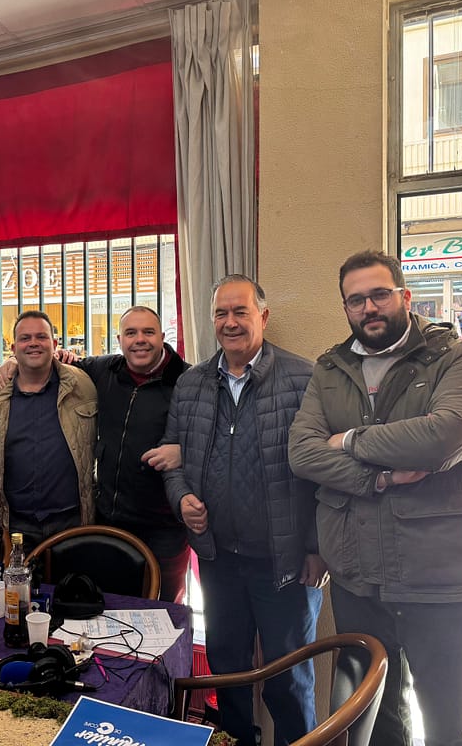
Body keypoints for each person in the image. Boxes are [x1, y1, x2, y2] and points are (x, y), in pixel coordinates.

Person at [289, 249, 462, 746]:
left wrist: (347, 440)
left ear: (404, 296)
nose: (369, 308)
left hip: (444, 578)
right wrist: (379, 479)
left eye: (380, 294)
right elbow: (302, 452)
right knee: (374, 724)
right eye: (356, 300)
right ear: (345, 307)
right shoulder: (331, 368)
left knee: (453, 724)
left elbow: (441, 438)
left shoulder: (461, 357)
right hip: (358, 580)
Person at [162, 275, 326, 746]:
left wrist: (317, 548)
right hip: (218, 561)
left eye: (241, 312)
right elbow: (173, 458)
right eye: (221, 313)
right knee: (227, 670)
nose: (230, 322)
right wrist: (181, 498)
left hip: (285, 563)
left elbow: (323, 475)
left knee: (288, 679)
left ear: (263, 317)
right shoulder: (191, 382)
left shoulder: (303, 378)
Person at [0, 306, 190, 602]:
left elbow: (221, 438)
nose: (140, 340)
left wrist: (186, 451)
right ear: (119, 339)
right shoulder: (103, 370)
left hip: (164, 527)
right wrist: (12, 364)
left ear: (162, 337)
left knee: (164, 609)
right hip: (109, 520)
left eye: (148, 332)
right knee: (108, 605)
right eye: (131, 333)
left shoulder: (189, 381)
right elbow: (48, 361)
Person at [0, 310, 97, 551]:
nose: (33, 343)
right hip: (9, 525)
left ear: (54, 344)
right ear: (13, 348)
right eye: (25, 338)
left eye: (41, 337)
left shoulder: (84, 385)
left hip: (73, 523)